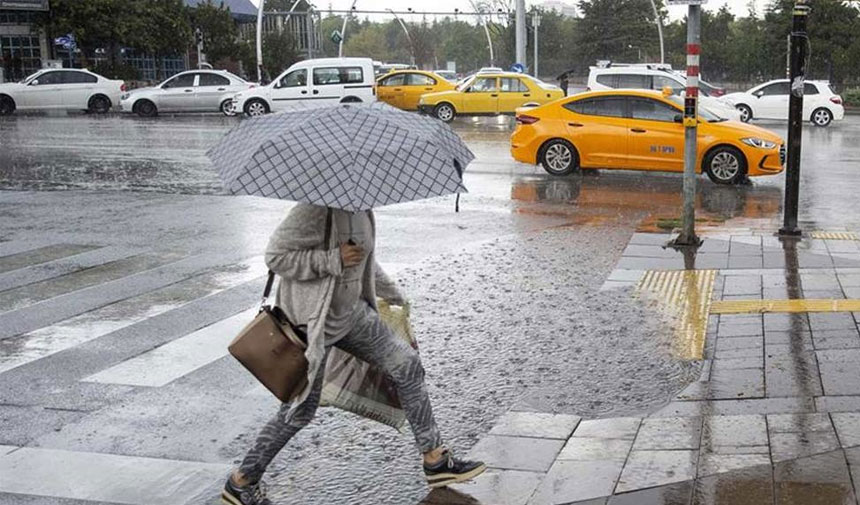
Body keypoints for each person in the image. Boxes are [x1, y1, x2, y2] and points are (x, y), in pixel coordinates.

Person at [222, 204, 486, 505]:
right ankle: (242, 481)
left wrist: (393, 293)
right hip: (312, 323)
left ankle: (435, 458)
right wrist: (333, 259)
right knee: (299, 411)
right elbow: (276, 257)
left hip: (351, 314)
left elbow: (365, 262)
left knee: (407, 365)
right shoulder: (314, 211)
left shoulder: (363, 211)